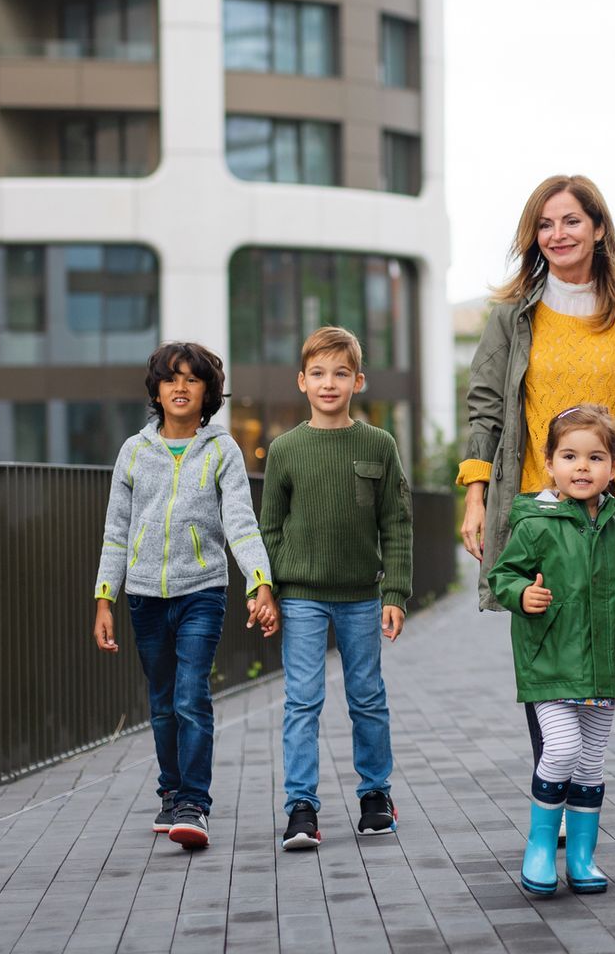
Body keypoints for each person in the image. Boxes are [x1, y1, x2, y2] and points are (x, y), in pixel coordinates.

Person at [458, 174, 615, 774]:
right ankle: (558, 784)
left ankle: (575, 777)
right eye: (544, 224)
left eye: (570, 221)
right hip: (537, 510)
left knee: (599, 637)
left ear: (598, 228)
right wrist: (476, 495)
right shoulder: (512, 316)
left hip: (612, 514)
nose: (557, 234)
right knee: (544, 638)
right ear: (532, 238)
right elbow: (486, 408)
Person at [486, 405, 615, 897]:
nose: (582, 467)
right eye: (569, 456)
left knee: (591, 763)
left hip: (603, 668)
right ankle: (539, 845)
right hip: (548, 663)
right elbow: (504, 576)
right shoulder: (534, 524)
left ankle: (581, 856)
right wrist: (520, 594)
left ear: (614, 468)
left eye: (595, 457)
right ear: (549, 464)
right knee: (563, 748)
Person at [92, 342, 279, 850]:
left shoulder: (222, 451)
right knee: (161, 703)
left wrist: (259, 581)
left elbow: (240, 521)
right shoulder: (134, 452)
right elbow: (116, 529)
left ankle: (194, 803)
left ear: (207, 392)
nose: (180, 387)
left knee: (191, 694)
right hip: (145, 596)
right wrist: (105, 597)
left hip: (203, 590)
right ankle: (171, 791)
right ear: (156, 389)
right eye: (171, 378)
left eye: (192, 379)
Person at [260, 326, 414, 851]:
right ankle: (301, 806)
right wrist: (267, 592)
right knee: (302, 701)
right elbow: (270, 529)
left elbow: (396, 523)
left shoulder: (379, 444)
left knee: (367, 698)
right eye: (319, 374)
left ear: (359, 381)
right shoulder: (285, 449)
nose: (330, 383)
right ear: (302, 381)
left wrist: (395, 594)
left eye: (341, 373)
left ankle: (376, 796)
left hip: (362, 596)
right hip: (300, 596)